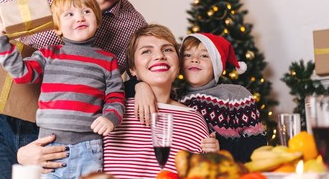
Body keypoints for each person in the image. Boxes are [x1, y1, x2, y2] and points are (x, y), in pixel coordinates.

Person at [0, 0, 159, 178]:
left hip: (64, 136)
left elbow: (120, 85)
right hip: (1, 116)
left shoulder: (132, 26)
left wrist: (142, 85)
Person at [18, 24, 218, 178]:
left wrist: (213, 158)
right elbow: (67, 153)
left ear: (178, 62)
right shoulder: (108, 113)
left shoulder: (194, 120)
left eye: (167, 50)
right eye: (146, 51)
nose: (159, 56)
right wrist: (23, 157)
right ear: (132, 69)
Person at [0, 0, 125, 178]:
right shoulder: (48, 54)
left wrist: (110, 117)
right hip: (49, 149)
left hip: (89, 149)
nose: (79, 18)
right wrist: (2, 41)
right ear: (57, 28)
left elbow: (115, 96)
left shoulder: (107, 60)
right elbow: (21, 73)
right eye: (69, 14)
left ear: (97, 20)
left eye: (86, 11)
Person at [178, 33, 267, 163]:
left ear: (216, 65)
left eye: (204, 55)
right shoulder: (173, 97)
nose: (194, 59)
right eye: (187, 55)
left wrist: (222, 148)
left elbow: (258, 147)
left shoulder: (236, 96)